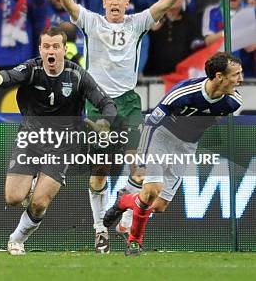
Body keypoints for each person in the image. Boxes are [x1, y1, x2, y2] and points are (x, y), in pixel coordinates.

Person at [49, 0, 201, 252]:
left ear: (127, 2)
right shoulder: (92, 23)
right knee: (100, 169)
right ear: (104, 2)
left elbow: (164, 5)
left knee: (140, 167)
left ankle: (125, 211)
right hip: (98, 103)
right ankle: (99, 230)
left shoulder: (137, 24)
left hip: (129, 102)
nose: (115, 2)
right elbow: (69, 5)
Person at [0, 26, 117, 255]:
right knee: (13, 198)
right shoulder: (31, 69)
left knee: (40, 202)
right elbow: (10, 76)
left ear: (64, 49)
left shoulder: (77, 75)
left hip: (63, 144)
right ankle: (31, 183)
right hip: (31, 138)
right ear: (40, 49)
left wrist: (105, 122)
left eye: (55, 46)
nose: (50, 51)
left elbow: (107, 103)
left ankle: (16, 239)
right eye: (46, 47)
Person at [104, 52, 243, 255]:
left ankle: (124, 201)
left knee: (159, 205)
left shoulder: (233, 103)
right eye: (236, 75)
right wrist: (142, 160)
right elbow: (151, 124)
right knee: (151, 190)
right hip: (161, 136)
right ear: (219, 76)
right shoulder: (183, 93)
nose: (240, 80)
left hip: (186, 147)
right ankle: (135, 242)